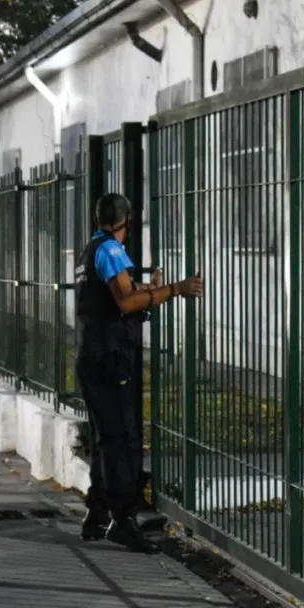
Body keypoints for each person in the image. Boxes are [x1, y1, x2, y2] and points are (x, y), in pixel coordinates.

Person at [75, 193, 203, 554]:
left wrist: (155, 289)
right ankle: (123, 519)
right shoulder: (111, 251)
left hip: (94, 355)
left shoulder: (92, 250)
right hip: (110, 358)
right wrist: (175, 290)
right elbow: (126, 301)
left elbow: (123, 292)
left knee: (106, 437)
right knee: (121, 439)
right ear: (125, 223)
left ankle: (97, 514)